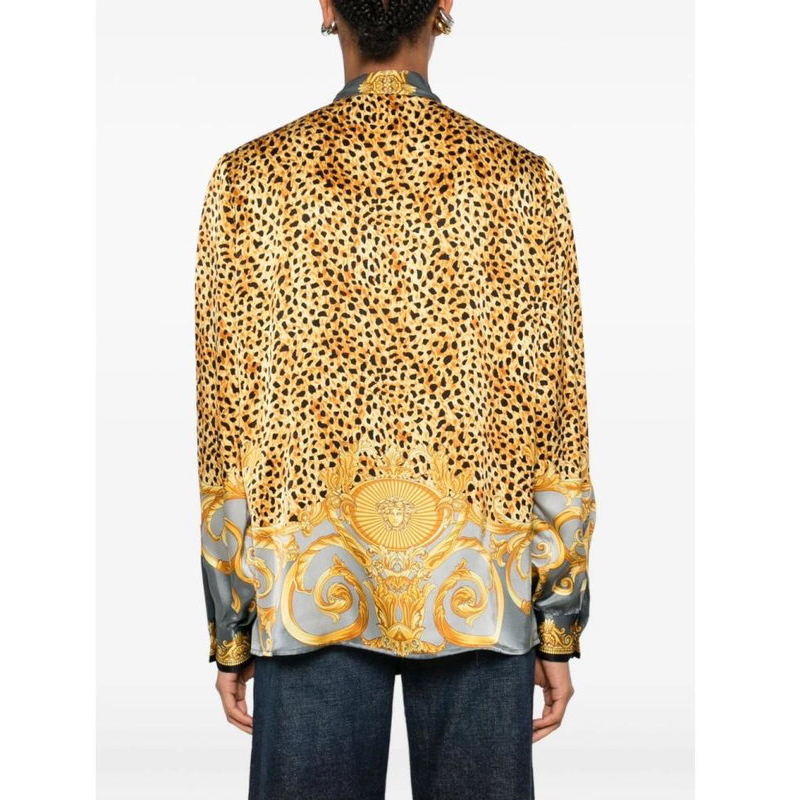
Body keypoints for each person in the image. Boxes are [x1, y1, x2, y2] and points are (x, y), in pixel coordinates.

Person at [194, 2, 597, 798]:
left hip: (308, 587)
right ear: (443, 6)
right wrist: (558, 620)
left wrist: (231, 626)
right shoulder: (521, 182)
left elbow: (224, 422)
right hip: (481, 588)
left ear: (327, 7)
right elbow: (558, 420)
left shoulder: (251, 180)